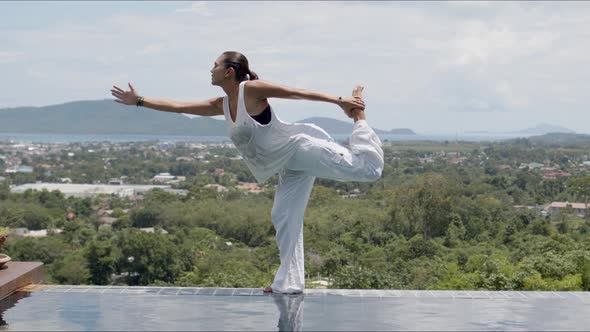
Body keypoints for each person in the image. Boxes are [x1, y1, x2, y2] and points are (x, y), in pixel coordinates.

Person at [111, 51, 384, 294]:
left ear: (229, 71)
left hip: (301, 149)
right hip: (287, 165)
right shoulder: (222, 104)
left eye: (214, 65)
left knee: (369, 171)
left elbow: (294, 92)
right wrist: (140, 101)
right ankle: (289, 282)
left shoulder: (249, 90)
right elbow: (180, 106)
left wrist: (341, 102)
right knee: (284, 216)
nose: (210, 69)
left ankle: (359, 120)